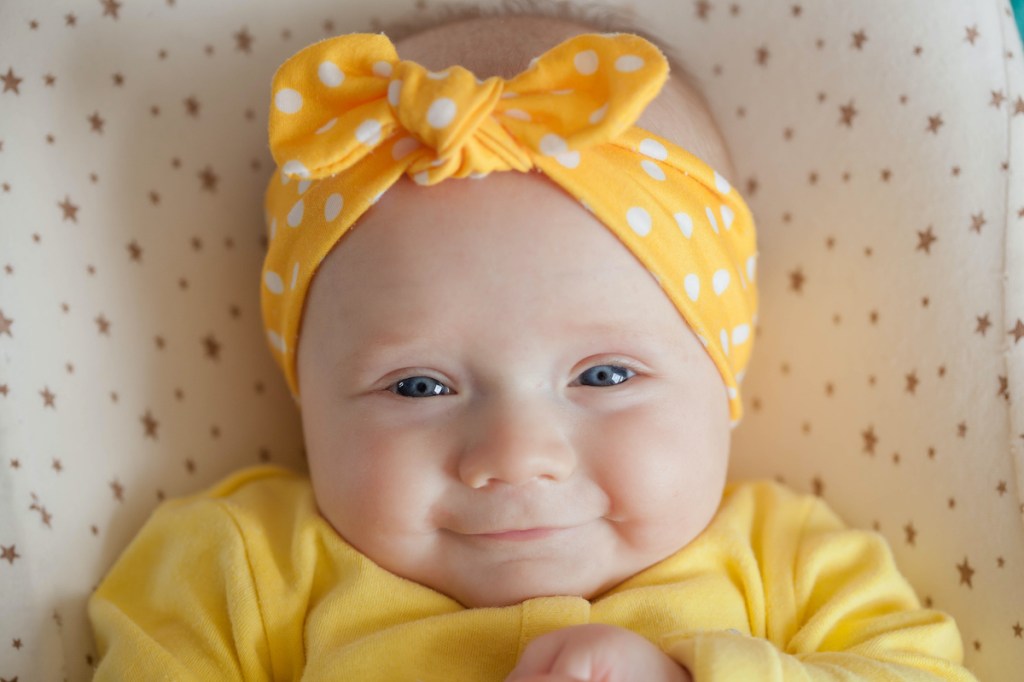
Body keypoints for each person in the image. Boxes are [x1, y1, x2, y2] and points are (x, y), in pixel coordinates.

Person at [88, 4, 977, 680]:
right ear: (306, 395)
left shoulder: (787, 561)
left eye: (604, 373)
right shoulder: (243, 565)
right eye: (418, 387)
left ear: (721, 372)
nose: (515, 457)